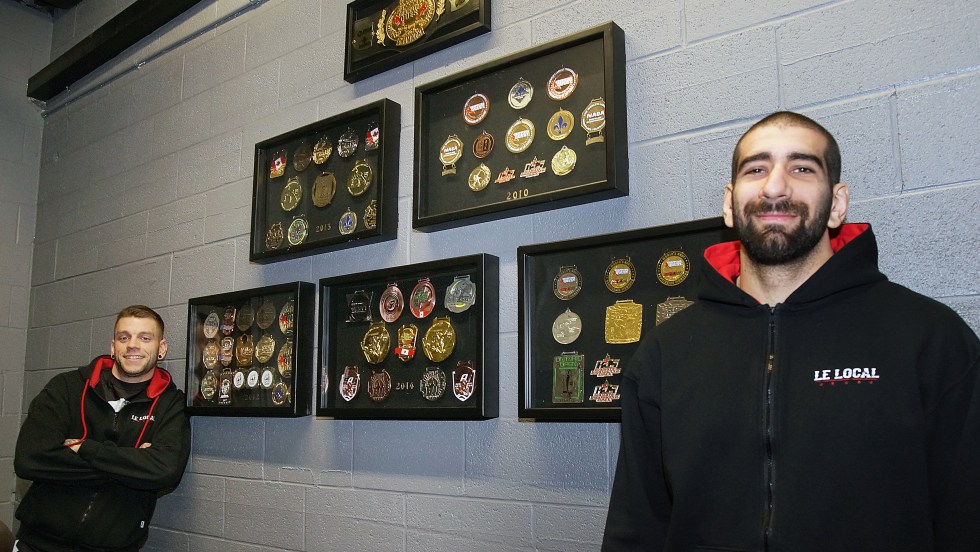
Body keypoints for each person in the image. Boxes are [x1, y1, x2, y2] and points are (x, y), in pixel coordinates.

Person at [601, 111, 980, 551]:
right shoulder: (664, 354)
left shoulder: (931, 340)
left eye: (801, 168)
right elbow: (638, 528)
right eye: (756, 169)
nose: (775, 186)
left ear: (837, 203)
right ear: (729, 202)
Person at [14, 305, 191, 552]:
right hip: (37, 544)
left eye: (145, 338)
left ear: (161, 349)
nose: (133, 345)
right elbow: (29, 459)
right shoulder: (66, 388)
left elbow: (166, 470)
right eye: (124, 337)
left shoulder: (171, 404)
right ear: (113, 346)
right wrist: (133, 464)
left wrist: (85, 448)